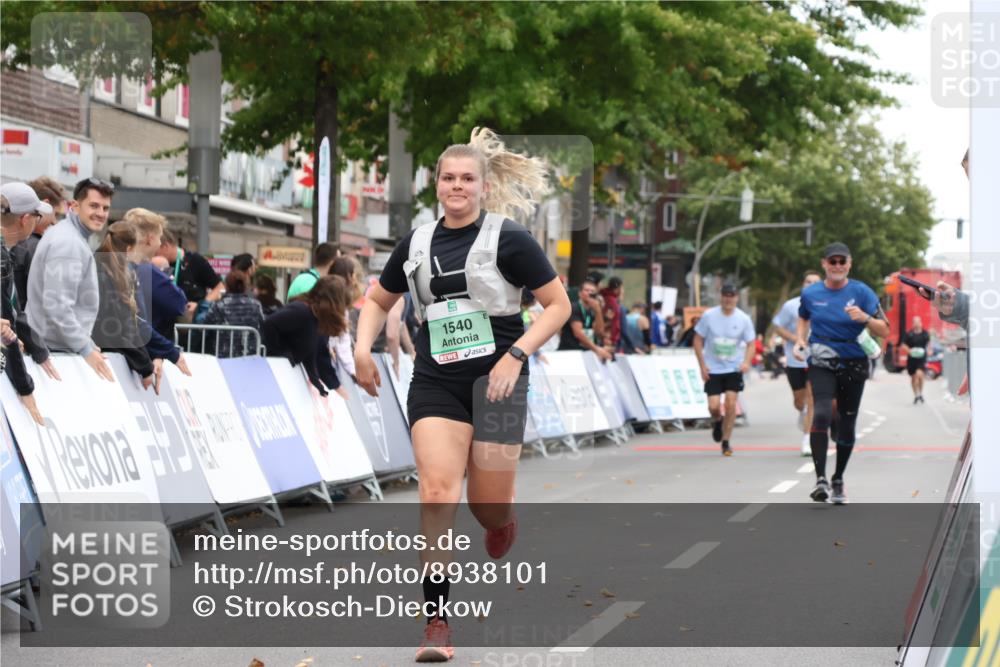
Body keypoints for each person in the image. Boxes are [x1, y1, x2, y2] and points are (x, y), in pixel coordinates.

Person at [353, 128, 570, 663]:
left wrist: (515, 355)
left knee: (486, 505)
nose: (457, 186)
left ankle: (502, 519)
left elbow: (559, 307)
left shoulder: (511, 239)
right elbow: (378, 301)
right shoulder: (417, 242)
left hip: (499, 382)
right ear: (437, 184)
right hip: (436, 382)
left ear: (483, 185)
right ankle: (437, 623)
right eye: (448, 178)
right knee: (436, 493)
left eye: (467, 178)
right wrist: (362, 349)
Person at [794, 242, 890, 505]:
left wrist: (865, 318)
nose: (837, 266)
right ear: (824, 264)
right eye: (832, 261)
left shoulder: (863, 293)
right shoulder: (811, 293)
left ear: (849, 263)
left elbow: (885, 330)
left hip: (854, 363)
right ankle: (820, 480)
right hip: (822, 361)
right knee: (822, 412)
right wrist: (800, 340)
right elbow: (803, 317)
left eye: (842, 261)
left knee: (847, 424)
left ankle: (838, 479)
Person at [26, 176, 116, 382]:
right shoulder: (68, 243)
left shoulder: (70, 237)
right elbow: (57, 305)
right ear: (74, 206)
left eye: (105, 208)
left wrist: (85, 343)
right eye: (94, 206)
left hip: (55, 351)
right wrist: (84, 347)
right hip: (53, 356)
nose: (100, 213)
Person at [123, 208, 191, 376]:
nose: (160, 244)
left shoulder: (125, 267)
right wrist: (168, 352)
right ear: (150, 238)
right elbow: (135, 323)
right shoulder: (133, 270)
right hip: (130, 361)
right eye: (160, 237)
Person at [92, 221, 158, 391]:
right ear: (128, 249)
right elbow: (117, 326)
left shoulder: (101, 266)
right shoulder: (106, 274)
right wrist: (145, 366)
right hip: (102, 356)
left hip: (100, 352)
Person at [693, 283, 756, 456]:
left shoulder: (743, 319)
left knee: (730, 404)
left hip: (733, 368)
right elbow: (698, 340)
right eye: (725, 295)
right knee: (713, 406)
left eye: (732, 295)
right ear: (720, 296)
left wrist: (746, 362)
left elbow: (751, 344)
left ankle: (726, 442)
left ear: (737, 298)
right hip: (713, 368)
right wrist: (702, 365)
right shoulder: (709, 316)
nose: (728, 298)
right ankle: (717, 421)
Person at [0, 193, 45, 425]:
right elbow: (8, 324)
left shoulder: (5, 254)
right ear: (25, 218)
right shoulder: (2, 257)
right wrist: (25, 387)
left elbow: (11, 319)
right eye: (38, 216)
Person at [262, 275, 349, 397]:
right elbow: (269, 324)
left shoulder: (316, 318)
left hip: (282, 375)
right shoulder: (301, 311)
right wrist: (282, 352)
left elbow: (313, 354)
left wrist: (316, 382)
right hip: (271, 373)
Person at [772, 270, 823, 455]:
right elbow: (778, 327)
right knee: (799, 401)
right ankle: (802, 412)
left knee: (811, 399)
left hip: (817, 359)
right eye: (808, 282)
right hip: (795, 361)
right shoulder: (791, 305)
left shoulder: (825, 304)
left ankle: (807, 439)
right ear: (803, 285)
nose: (811, 285)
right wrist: (796, 338)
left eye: (815, 282)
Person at [11, 176, 66, 307]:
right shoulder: (35, 247)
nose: (55, 222)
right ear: (44, 205)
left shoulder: (11, 240)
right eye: (56, 214)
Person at [155, 228, 223, 323]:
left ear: (165, 246)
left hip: (191, 325)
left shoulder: (195, 261)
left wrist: (201, 305)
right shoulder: (158, 265)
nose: (153, 256)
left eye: (155, 252)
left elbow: (219, 287)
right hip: (166, 323)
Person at [203, 272, 265, 358]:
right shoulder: (256, 305)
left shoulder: (219, 305)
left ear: (226, 286)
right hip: (250, 355)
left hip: (224, 355)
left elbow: (205, 327)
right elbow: (263, 325)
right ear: (246, 286)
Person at [558, 278, 612, 361]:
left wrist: (598, 311)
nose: (590, 293)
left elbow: (599, 332)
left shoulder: (593, 309)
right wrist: (597, 349)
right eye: (587, 290)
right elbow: (578, 333)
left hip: (584, 353)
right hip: (569, 352)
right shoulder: (574, 307)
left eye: (592, 291)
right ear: (580, 293)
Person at [901, 316, 930, 404]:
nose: (916, 323)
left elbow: (928, 344)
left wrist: (929, 350)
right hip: (912, 359)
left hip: (921, 358)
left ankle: (920, 392)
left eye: (918, 322)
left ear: (920, 322)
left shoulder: (925, 333)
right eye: (915, 322)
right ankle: (916, 395)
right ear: (913, 323)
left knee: (919, 375)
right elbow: (903, 345)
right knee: (914, 377)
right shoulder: (909, 334)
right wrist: (910, 351)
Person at [600, 276, 623, 352]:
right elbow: (608, 320)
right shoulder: (611, 301)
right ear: (618, 288)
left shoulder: (607, 298)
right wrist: (608, 338)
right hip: (609, 340)